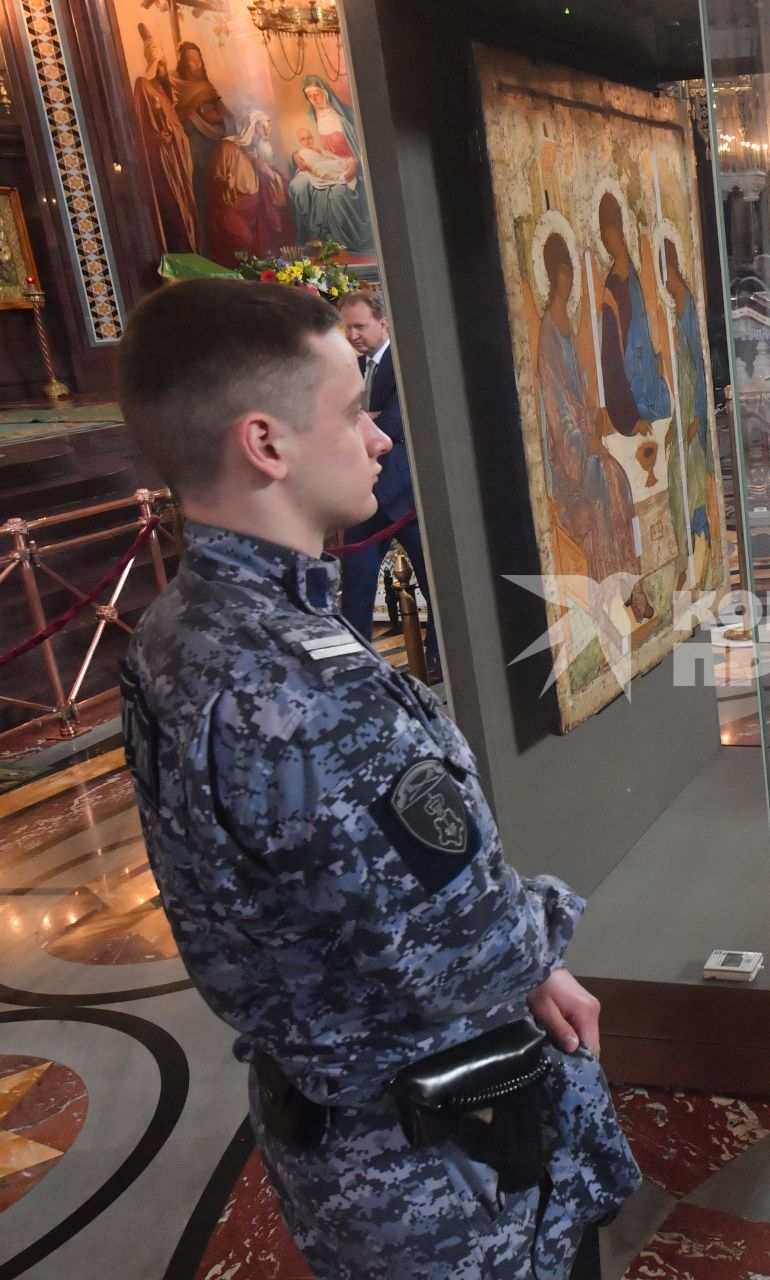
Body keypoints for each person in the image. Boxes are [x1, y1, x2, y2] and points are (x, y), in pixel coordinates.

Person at [116, 279, 637, 1276]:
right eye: (354, 410)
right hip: (440, 1171)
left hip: (324, 1125)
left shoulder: (176, 627)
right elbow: (451, 952)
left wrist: (521, 955)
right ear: (266, 443)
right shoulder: (303, 686)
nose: (380, 438)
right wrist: (539, 934)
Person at [335, 291, 439, 675]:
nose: (353, 334)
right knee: (357, 585)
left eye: (360, 325)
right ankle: (354, 666)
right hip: (364, 495)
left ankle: (439, 656)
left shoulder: (402, 362)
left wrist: (365, 420)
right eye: (347, 327)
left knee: (433, 582)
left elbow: (393, 426)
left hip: (404, 495)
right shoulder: (357, 365)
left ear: (383, 323)